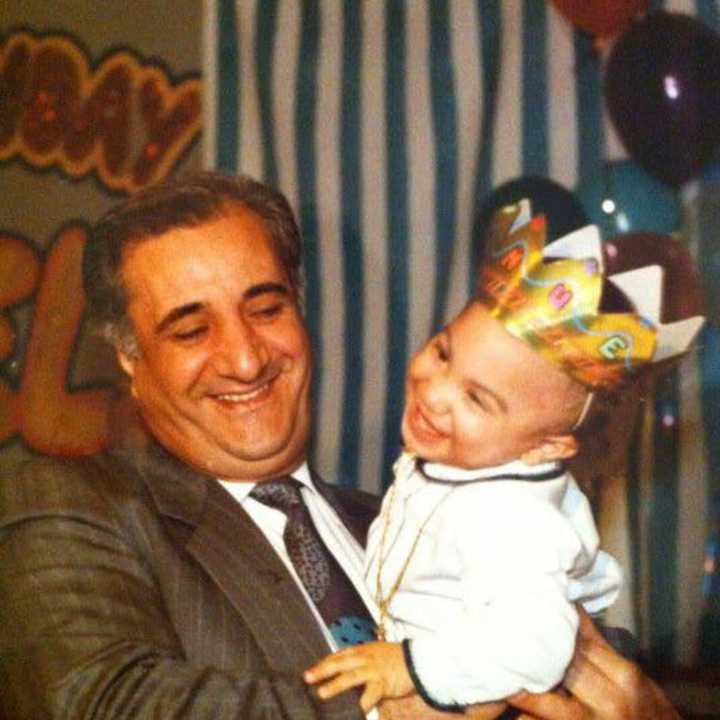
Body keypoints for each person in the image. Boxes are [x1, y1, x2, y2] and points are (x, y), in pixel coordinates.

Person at [0, 173, 685, 719]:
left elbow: (578, 646)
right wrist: (407, 697)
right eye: (190, 330)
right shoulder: (73, 506)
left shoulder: (407, 525)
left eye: (266, 309)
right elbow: (110, 705)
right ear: (128, 355)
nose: (243, 359)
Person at [304, 201, 704, 716]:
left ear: (546, 447)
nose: (435, 392)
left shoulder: (513, 519)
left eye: (477, 399)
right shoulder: (466, 461)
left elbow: (537, 645)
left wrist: (408, 666)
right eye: (443, 352)